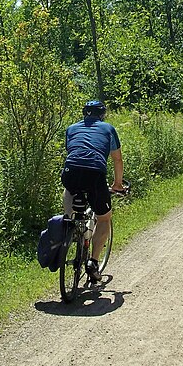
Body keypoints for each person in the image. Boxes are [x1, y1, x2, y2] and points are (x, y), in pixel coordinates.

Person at [62, 100, 124, 282]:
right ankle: (93, 262)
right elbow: (117, 159)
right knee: (104, 217)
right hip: (95, 173)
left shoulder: (71, 128)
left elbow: (73, 151)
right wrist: (117, 184)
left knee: (69, 188)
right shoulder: (108, 129)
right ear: (102, 114)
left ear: (84, 113)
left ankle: (69, 221)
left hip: (70, 171)